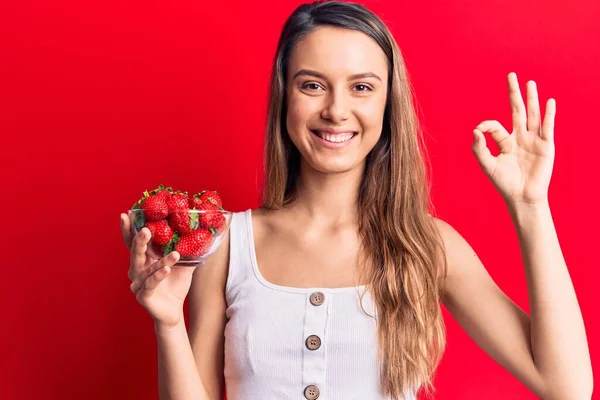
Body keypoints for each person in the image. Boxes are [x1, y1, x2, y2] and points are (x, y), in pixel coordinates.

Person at [119, 1, 593, 399]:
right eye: (312, 84)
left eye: (361, 87)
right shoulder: (227, 243)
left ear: (388, 105)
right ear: (286, 97)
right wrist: (168, 324)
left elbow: (567, 386)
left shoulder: (428, 245)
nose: (336, 110)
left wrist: (531, 206)